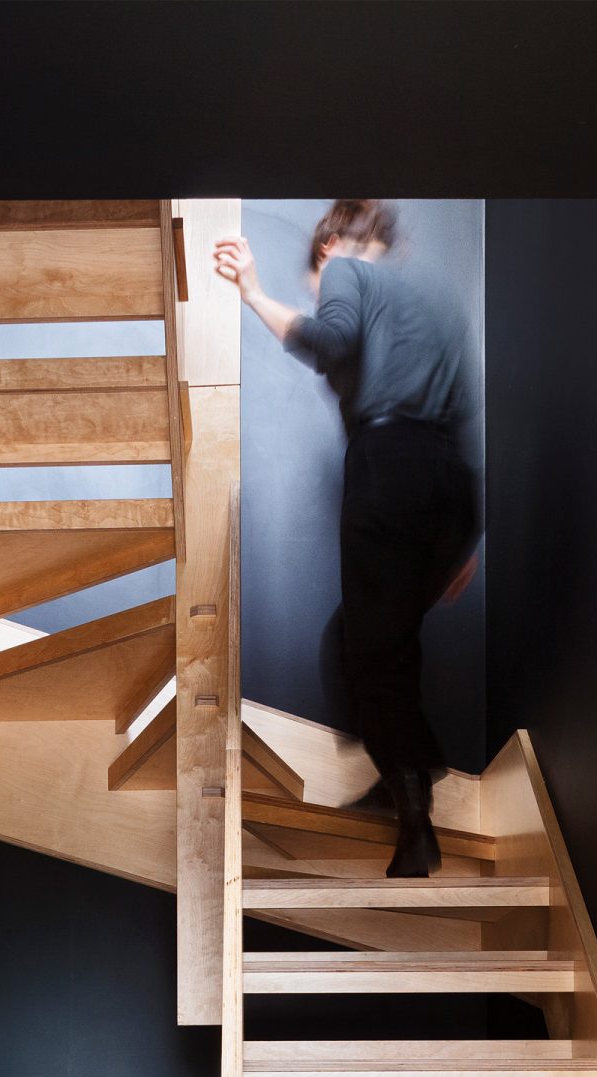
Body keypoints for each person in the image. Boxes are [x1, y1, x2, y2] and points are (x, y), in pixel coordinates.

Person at [214, 200, 479, 876]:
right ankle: (408, 771)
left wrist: (251, 294)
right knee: (376, 643)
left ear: (330, 247)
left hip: (386, 470)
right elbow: (462, 417)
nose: (323, 294)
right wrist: (468, 535)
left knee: (364, 653)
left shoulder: (345, 272)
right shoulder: (439, 300)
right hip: (448, 490)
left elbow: (327, 341)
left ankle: (415, 820)